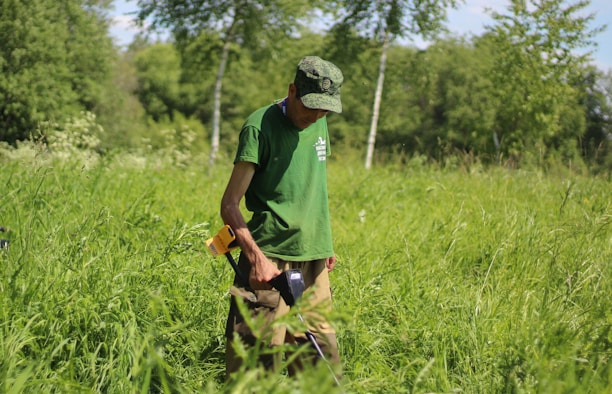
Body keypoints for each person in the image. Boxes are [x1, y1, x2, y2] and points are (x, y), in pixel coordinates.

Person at [219, 55, 344, 378]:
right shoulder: (259, 126)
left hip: (314, 260)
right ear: (292, 90)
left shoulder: (319, 122)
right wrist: (256, 259)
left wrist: (325, 241)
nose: (317, 115)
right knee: (255, 370)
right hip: (269, 260)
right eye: (310, 106)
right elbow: (230, 204)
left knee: (321, 367)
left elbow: (313, 186)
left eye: (325, 109)